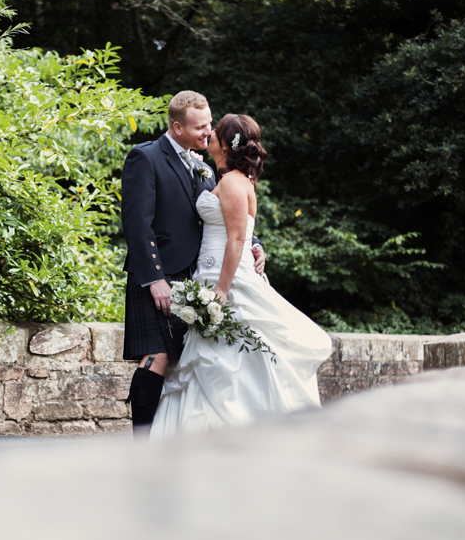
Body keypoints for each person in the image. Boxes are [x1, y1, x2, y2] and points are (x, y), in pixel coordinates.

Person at [150, 114, 333, 438]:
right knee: (214, 357)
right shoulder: (229, 179)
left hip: (226, 281)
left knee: (231, 360)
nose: (210, 135)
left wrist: (220, 290)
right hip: (209, 274)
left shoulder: (234, 182)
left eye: (215, 132)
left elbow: (237, 239)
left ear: (226, 142)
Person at [121, 93, 266, 436]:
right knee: (156, 356)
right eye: (200, 127)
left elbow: (224, 218)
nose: (208, 132)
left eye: (209, 124)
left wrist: (254, 244)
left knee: (181, 362)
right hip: (159, 274)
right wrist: (154, 278)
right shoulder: (146, 157)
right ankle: (141, 442)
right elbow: (137, 224)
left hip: (196, 277)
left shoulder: (204, 166)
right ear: (176, 126)